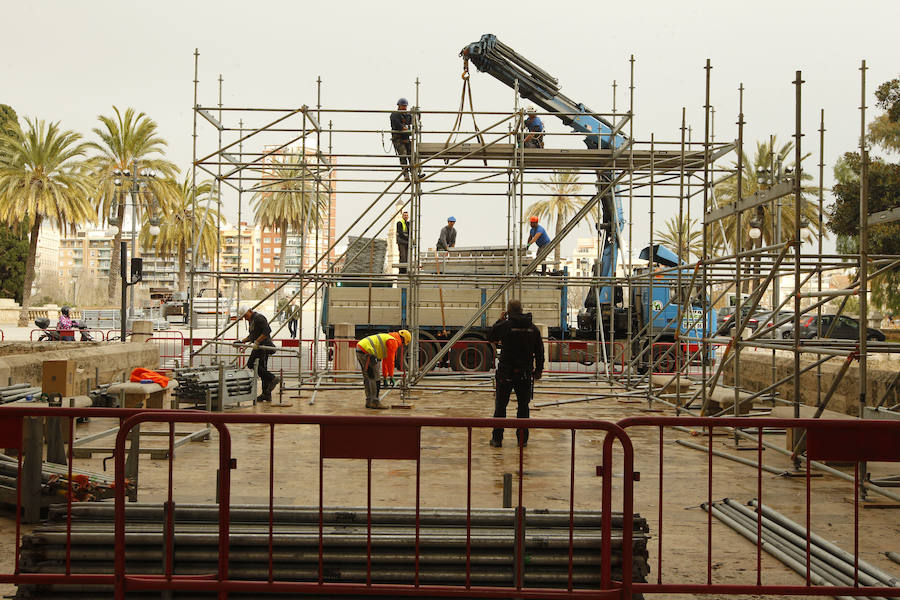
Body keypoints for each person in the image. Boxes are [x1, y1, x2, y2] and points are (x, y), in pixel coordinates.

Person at [487, 299, 544, 448]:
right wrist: (538, 370)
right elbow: (540, 352)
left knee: (501, 407)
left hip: (506, 373)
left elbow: (491, 336)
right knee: (523, 407)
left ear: (508, 311)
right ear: (521, 310)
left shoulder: (506, 326)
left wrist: (500, 320)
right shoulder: (533, 329)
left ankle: (497, 439)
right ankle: (522, 439)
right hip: (524, 374)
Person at [355, 329, 411, 409]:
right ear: (403, 339)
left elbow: (385, 361)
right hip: (367, 352)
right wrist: (391, 376)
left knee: (368, 377)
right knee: (375, 378)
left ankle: (369, 401)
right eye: (403, 343)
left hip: (360, 349)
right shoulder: (393, 341)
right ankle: (375, 402)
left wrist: (385, 377)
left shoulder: (389, 338)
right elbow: (390, 361)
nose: (401, 345)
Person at [234, 306, 280, 402]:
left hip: (263, 346)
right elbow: (252, 336)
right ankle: (266, 393)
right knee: (259, 368)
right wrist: (242, 341)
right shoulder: (252, 320)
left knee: (257, 366)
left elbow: (267, 331)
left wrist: (257, 341)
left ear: (250, 311)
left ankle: (272, 378)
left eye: (245, 316)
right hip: (258, 346)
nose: (245, 318)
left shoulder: (259, 318)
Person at [390, 97, 413, 181]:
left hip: (406, 139)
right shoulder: (394, 115)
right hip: (398, 139)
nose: (404, 108)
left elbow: (412, 120)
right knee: (403, 155)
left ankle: (414, 173)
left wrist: (416, 115)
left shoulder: (406, 115)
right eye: (403, 106)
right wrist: (404, 128)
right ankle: (406, 174)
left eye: (405, 106)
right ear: (399, 106)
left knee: (411, 156)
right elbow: (399, 126)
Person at [396, 210, 410, 274]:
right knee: (403, 256)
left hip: (407, 242)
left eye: (407, 215)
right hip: (401, 242)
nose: (406, 216)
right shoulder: (399, 223)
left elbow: (410, 232)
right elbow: (400, 233)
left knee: (407, 256)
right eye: (405, 215)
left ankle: (406, 269)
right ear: (402, 216)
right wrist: (408, 238)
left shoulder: (408, 223)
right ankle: (402, 271)